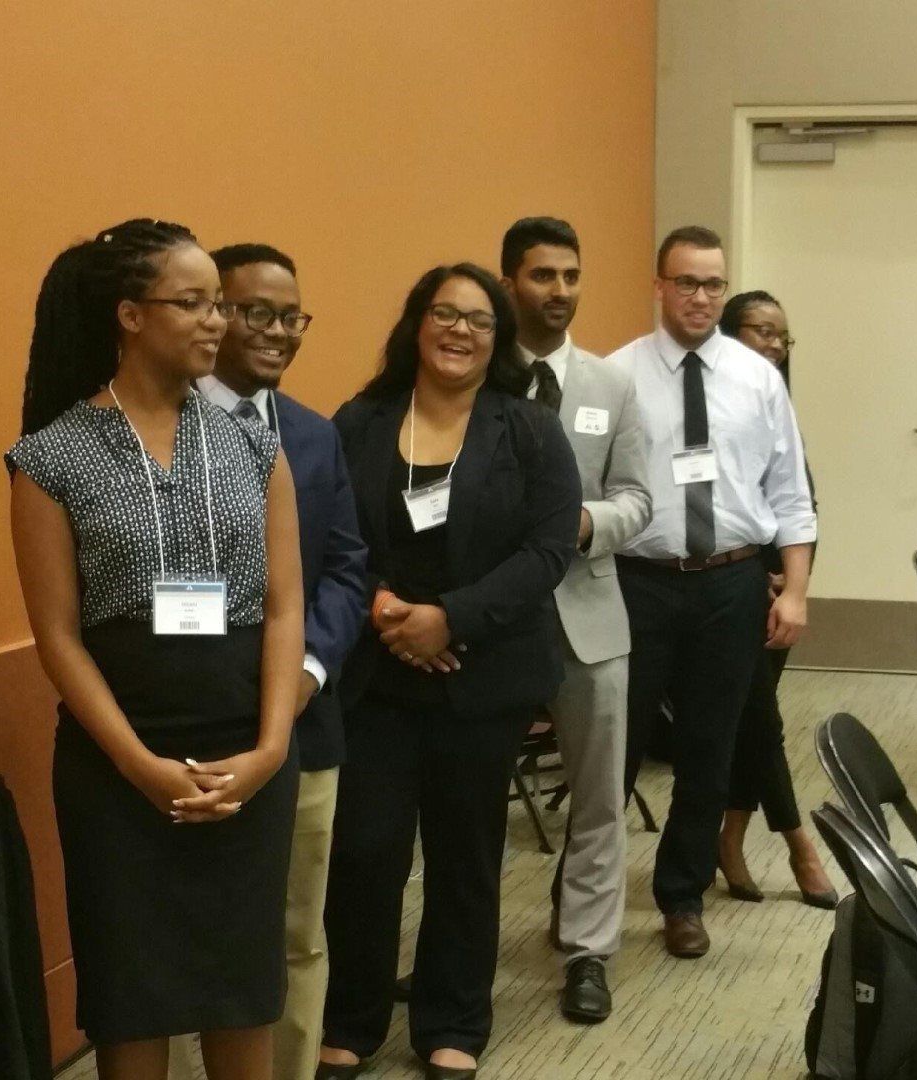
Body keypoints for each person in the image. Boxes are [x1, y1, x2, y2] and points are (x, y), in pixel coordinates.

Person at [6, 218, 304, 1080]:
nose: (221, 322)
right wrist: (141, 766)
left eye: (221, 304)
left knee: (240, 990)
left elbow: (286, 607)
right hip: (118, 766)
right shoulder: (50, 456)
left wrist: (272, 749)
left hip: (246, 748)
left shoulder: (255, 437)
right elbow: (57, 636)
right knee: (133, 998)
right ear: (131, 316)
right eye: (195, 303)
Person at [317, 264, 581, 1080]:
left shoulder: (528, 429)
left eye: (478, 319)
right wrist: (388, 611)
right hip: (376, 672)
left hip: (483, 672)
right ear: (416, 323)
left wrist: (450, 618)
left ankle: (454, 1020)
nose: (459, 330)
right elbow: (325, 534)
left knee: (467, 854)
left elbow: (547, 549)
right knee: (365, 853)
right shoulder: (357, 422)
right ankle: (351, 1021)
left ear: (497, 340)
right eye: (444, 313)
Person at [162, 243, 368, 1080]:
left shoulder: (314, 438)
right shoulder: (154, 425)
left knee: (295, 934)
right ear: (214, 315)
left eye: (293, 318)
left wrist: (305, 677)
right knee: (184, 935)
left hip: (303, 733)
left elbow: (348, 570)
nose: (278, 332)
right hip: (184, 730)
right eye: (256, 312)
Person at [610, 227, 817, 959]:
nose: (700, 297)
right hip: (638, 583)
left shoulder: (757, 377)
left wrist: (793, 590)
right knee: (616, 749)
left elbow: (790, 493)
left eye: (713, 285)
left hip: (732, 582)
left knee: (711, 750)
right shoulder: (617, 375)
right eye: (686, 282)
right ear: (659, 286)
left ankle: (681, 895)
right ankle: (591, 900)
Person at [498, 217, 651, 1023]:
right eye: (542, 276)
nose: (559, 292)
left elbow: (639, 500)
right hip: (488, 623)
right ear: (508, 282)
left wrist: (580, 525)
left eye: (571, 275)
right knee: (464, 797)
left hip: (588, 613)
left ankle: (589, 952)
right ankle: (459, 956)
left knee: (596, 797)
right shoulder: (477, 377)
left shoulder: (611, 385)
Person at [713, 290, 836, 910]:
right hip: (732, 585)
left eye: (784, 336)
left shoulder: (774, 402)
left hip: (779, 586)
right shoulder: (712, 404)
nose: (775, 344)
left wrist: (796, 583)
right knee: (761, 718)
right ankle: (798, 843)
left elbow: (797, 502)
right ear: (729, 335)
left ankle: (730, 836)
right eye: (762, 330)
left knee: (749, 716)